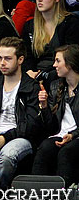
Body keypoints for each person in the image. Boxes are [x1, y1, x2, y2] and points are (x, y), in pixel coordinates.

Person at [0, 37, 41, 187]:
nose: (2, 63)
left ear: (20, 60)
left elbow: (31, 125)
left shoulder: (32, 87)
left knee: (7, 155)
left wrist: (5, 138)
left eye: (7, 58)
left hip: (21, 138)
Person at [34, 44, 79, 184]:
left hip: (77, 135)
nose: (54, 65)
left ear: (70, 64)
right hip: (61, 135)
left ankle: (64, 197)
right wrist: (45, 106)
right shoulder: (55, 86)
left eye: (58, 61)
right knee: (44, 149)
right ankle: (36, 195)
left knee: (66, 153)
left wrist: (73, 135)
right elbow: (51, 127)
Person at [22, 0, 79, 80]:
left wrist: (44, 74)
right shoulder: (30, 25)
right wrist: (30, 71)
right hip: (34, 76)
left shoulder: (70, 22)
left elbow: (70, 56)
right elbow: (27, 55)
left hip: (61, 74)